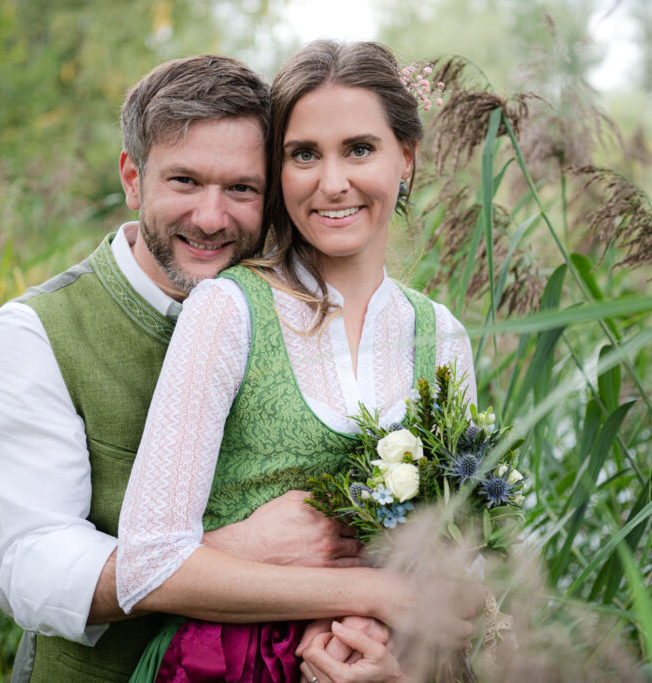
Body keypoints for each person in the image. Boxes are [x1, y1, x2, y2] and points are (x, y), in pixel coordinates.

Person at [0, 55, 368, 682]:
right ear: (133, 177)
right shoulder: (38, 331)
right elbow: (29, 565)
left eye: (241, 188)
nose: (211, 219)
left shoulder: (310, 313)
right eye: (184, 181)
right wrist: (232, 554)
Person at [116, 40, 478, 682]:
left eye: (359, 149)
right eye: (303, 154)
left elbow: (458, 558)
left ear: (407, 158)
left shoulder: (441, 336)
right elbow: (146, 568)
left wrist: (395, 663)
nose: (331, 182)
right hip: (220, 666)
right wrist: (369, 596)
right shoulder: (229, 311)